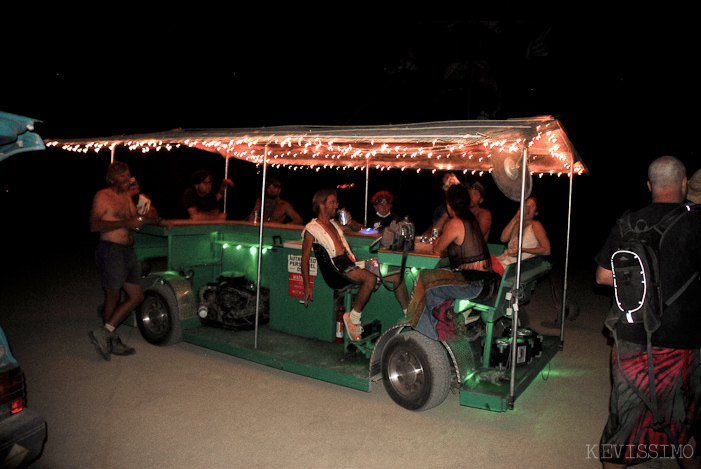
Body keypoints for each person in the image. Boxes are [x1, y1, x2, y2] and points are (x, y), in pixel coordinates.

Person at [595, 156, 701, 468]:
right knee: (689, 423)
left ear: (649, 186)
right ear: (683, 184)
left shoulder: (628, 223)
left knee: (622, 426)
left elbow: (602, 276)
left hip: (631, 339)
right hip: (684, 342)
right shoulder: (696, 222)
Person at [300, 188, 409, 341]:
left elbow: (361, 229)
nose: (336, 205)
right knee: (370, 279)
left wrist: (350, 222)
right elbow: (304, 258)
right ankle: (353, 318)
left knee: (396, 276)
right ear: (321, 205)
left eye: (336, 202)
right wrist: (306, 286)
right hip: (338, 268)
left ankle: (409, 314)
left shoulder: (334, 224)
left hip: (351, 262)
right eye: (332, 202)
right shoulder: (312, 229)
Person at [408, 184, 497, 340]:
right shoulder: (471, 220)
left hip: (474, 284)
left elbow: (437, 248)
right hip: (486, 282)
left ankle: (425, 335)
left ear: (449, 204)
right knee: (434, 283)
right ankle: (443, 327)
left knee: (424, 279)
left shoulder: (456, 223)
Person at [88, 162, 152, 360]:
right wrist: (126, 223)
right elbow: (94, 225)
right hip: (110, 250)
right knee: (113, 296)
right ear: (113, 178)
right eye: (124, 176)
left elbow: (136, 219)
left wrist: (153, 218)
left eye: (129, 176)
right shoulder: (102, 196)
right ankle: (111, 338)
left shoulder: (126, 197)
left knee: (136, 296)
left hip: (126, 251)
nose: (128, 179)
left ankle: (105, 332)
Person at [496, 196, 550, 268]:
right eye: (526, 204)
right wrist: (516, 217)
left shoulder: (536, 225)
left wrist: (522, 250)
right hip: (504, 260)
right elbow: (503, 239)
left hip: (514, 267)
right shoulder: (517, 223)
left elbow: (547, 250)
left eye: (532, 206)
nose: (527, 208)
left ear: (536, 213)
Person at [424, 171, 461, 236]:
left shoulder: (463, 207)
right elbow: (434, 231)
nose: (450, 190)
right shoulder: (440, 208)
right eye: (447, 186)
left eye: (453, 185)